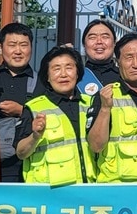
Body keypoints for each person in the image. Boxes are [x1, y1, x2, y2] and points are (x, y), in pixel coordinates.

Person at [16, 46, 97, 184]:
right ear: (47, 76)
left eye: (69, 67)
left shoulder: (92, 103)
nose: (63, 74)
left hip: (90, 191)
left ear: (78, 73)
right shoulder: (34, 108)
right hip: (51, 195)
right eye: (56, 69)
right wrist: (35, 136)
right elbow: (21, 153)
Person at [90, 34, 137, 183]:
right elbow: (96, 146)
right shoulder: (106, 95)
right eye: (128, 57)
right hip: (117, 189)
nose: (136, 64)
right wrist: (105, 109)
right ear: (118, 62)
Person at [0, 22, 37, 183]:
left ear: (31, 47)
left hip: (27, 169)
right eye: (12, 45)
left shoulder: (41, 81)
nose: (18, 51)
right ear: (1, 48)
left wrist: (22, 111)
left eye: (23, 45)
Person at [79, 19, 119, 96]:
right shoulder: (76, 78)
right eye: (92, 37)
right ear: (84, 44)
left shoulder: (124, 78)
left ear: (114, 43)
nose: (99, 41)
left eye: (105, 37)